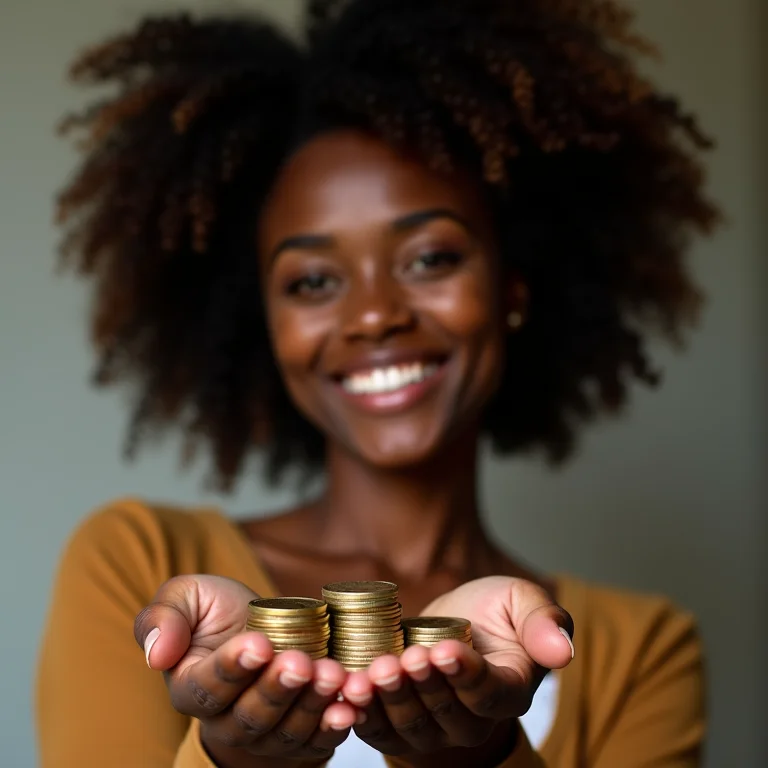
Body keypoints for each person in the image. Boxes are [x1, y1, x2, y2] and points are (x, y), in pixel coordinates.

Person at [36, 1, 719, 766]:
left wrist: (483, 751)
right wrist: (233, 758)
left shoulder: (644, 650)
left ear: (513, 291)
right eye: (313, 281)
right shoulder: (137, 561)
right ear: (262, 322)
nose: (372, 316)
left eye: (430, 258)